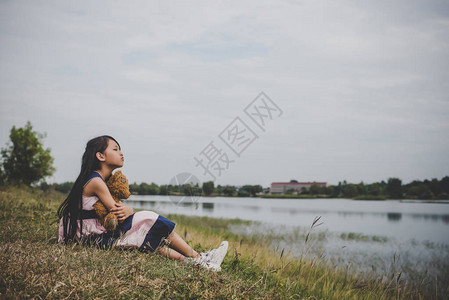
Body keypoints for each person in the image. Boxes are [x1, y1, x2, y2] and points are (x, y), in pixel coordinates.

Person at [57, 135, 227, 271]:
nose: (121, 153)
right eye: (115, 149)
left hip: (92, 235)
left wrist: (128, 211)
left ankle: (197, 263)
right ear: (100, 156)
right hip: (91, 237)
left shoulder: (101, 180)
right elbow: (116, 212)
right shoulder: (96, 181)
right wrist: (130, 210)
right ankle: (199, 258)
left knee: (146, 237)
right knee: (148, 218)